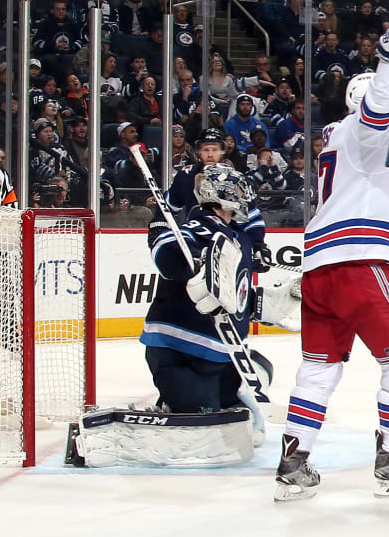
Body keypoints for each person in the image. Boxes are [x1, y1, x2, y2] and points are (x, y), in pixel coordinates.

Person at [276, 12, 389, 502]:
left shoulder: (341, 140)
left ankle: (294, 462)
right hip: (358, 263)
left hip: (320, 265)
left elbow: (388, 129)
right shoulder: (365, 131)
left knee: (319, 367)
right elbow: (379, 114)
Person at [68, 163, 301, 469]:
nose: (246, 195)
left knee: (259, 372)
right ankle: (160, 410)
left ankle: (184, 403)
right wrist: (165, 239)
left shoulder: (239, 237)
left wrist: (272, 302)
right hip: (180, 351)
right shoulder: (195, 230)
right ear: (222, 196)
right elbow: (166, 256)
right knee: (203, 425)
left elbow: (236, 298)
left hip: (219, 354)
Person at [167, 128, 270, 270]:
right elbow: (169, 207)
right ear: (198, 151)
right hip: (198, 234)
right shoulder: (186, 176)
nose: (210, 155)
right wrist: (159, 226)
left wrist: (258, 245)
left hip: (230, 235)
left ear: (222, 151)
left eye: (214, 149)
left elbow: (251, 215)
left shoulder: (236, 179)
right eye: (206, 149)